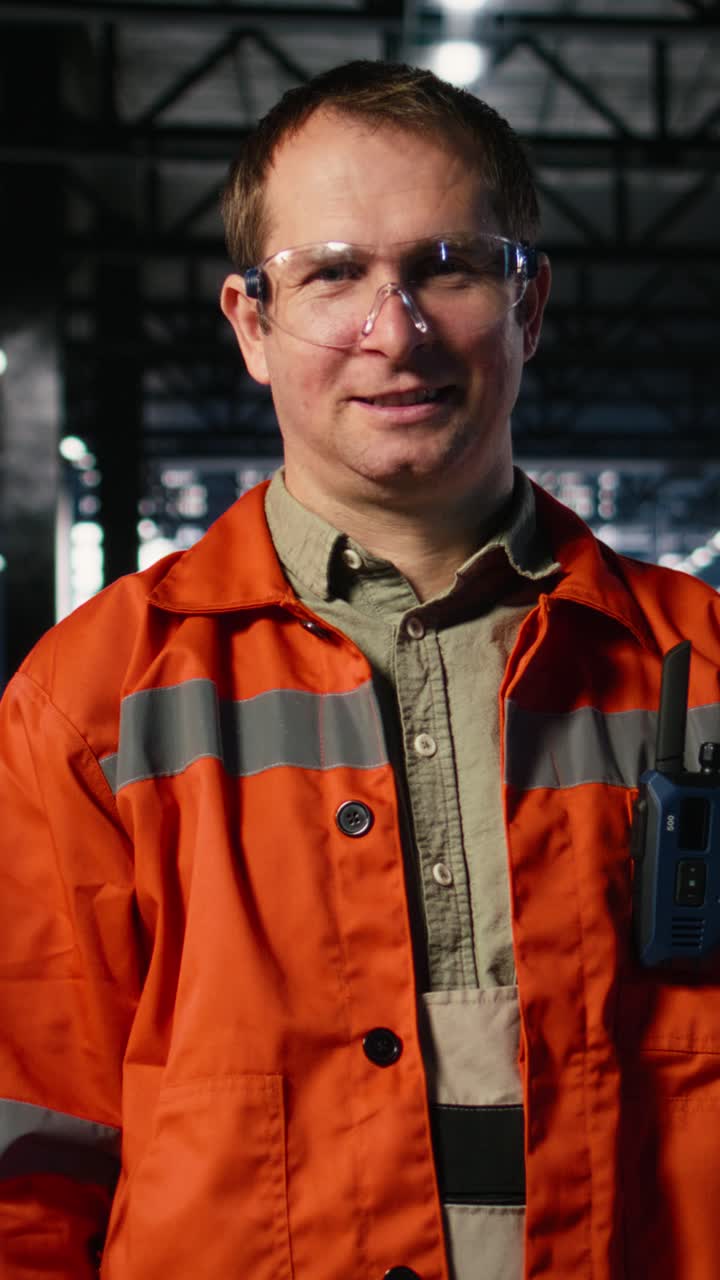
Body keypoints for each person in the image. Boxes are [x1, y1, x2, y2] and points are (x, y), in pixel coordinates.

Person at [1, 58, 719, 1280]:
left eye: (447, 265)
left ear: (529, 305)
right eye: (334, 272)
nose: (397, 331)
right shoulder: (93, 697)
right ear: (251, 325)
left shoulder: (697, 671)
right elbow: (29, 1150)